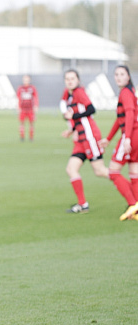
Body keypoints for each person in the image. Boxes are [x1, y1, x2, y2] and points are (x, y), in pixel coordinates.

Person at [60, 69, 108, 213]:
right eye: (67, 79)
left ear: (78, 80)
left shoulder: (79, 92)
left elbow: (91, 109)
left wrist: (74, 117)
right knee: (71, 169)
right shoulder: (70, 95)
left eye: (72, 78)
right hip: (80, 139)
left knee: (100, 171)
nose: (70, 81)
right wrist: (72, 130)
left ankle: (132, 189)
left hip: (89, 137)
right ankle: (83, 205)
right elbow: (76, 116)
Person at [99, 65, 138, 221]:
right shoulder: (130, 92)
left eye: (122, 74)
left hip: (131, 135)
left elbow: (129, 115)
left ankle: (132, 204)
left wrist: (127, 137)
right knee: (134, 174)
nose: (119, 77)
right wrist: (108, 138)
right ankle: (136, 209)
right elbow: (120, 119)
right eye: (116, 74)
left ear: (128, 77)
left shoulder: (125, 93)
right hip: (136, 135)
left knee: (114, 172)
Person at [17, 74, 38, 142]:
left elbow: (35, 97)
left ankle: (31, 137)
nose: (26, 81)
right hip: (23, 109)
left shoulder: (32, 88)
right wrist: (18, 107)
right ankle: (22, 137)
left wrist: (36, 106)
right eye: (24, 80)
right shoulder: (20, 88)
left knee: (31, 123)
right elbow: (18, 98)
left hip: (30, 109)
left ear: (29, 80)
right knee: (22, 123)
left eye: (27, 80)